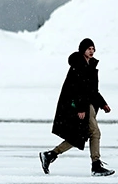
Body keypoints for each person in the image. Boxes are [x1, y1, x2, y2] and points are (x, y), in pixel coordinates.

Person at [39, 38, 113, 176]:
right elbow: (75, 89)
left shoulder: (90, 66)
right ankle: (96, 166)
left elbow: (92, 90)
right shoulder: (78, 65)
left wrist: (103, 103)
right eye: (89, 48)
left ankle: (50, 155)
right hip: (78, 106)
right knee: (94, 132)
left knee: (79, 136)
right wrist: (80, 108)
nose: (92, 51)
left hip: (87, 104)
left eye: (93, 49)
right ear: (83, 50)